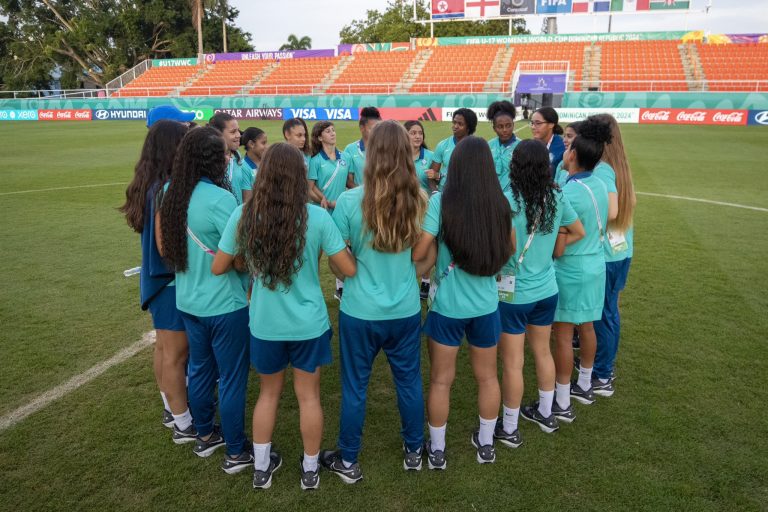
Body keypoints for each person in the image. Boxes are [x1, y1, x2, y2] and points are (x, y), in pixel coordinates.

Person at [213, 142, 356, 490]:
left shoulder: (244, 214)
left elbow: (225, 264)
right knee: (309, 397)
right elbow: (347, 269)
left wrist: (251, 262)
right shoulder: (317, 217)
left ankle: (261, 468)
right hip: (308, 324)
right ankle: (310, 470)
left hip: (265, 323)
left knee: (268, 395)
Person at [319, 121, 433, 483]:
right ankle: (414, 450)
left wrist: (355, 272)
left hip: (361, 310)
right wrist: (409, 276)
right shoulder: (418, 197)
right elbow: (422, 254)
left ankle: (349, 458)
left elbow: (337, 257)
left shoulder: (352, 201)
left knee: (355, 386)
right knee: (409, 381)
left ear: (371, 153)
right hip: (402, 309)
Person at [413, 136, 513, 469]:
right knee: (488, 377)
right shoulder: (499, 203)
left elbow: (420, 249)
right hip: (486, 306)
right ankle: (486, 443)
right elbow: (509, 249)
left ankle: (437, 449)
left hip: (447, 308)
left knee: (442, 379)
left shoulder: (441, 202)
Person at [157, 126, 252, 474]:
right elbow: (239, 255)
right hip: (225, 302)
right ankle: (237, 450)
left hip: (188, 299)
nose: (228, 159)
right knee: (230, 376)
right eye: (224, 155)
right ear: (213, 161)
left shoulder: (170, 191)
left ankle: (205, 433)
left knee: (199, 367)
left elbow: (166, 248)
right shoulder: (220, 199)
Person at [495, 140, 584, 448]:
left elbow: (501, 247)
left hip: (514, 293)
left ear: (515, 167)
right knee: (543, 351)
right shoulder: (556, 196)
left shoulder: (506, 199)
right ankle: (546, 412)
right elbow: (578, 231)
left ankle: (509, 427)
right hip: (547, 289)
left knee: (513, 362)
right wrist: (554, 250)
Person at [120, 120, 191, 435]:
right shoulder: (164, 188)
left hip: (156, 280)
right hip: (168, 280)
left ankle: (170, 409)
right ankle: (184, 422)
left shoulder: (148, 184)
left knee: (164, 349)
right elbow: (166, 248)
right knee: (175, 354)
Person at [552, 116, 617, 423]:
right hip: (595, 264)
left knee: (563, 335)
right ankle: (585, 384)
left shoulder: (568, 191)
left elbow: (560, 236)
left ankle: (563, 399)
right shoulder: (600, 184)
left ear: (574, 156)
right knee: (588, 326)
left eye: (569, 146)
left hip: (572, 268)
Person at [591, 114, 636, 397]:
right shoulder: (620, 165)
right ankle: (604, 365)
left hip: (607, 254)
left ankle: (602, 374)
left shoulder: (603, 169)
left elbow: (609, 213)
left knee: (604, 314)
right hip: (621, 249)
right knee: (610, 312)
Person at [308, 120, 350, 300]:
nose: (332, 133)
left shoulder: (344, 158)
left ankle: (340, 287)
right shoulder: (315, 160)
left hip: (340, 213)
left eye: (333, 130)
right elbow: (310, 188)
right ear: (319, 137)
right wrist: (324, 199)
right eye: (327, 131)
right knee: (316, 255)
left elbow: (349, 183)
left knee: (343, 251)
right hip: (321, 212)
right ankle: (312, 289)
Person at [404, 119, 435, 299]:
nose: (417, 136)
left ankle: (425, 282)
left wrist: (437, 175)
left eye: (420, 133)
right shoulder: (399, 156)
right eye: (413, 133)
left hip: (426, 211)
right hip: (405, 210)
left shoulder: (430, 157)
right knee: (408, 246)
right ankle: (406, 281)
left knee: (426, 246)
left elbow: (440, 180)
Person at [427, 108, 477, 193]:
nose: (455, 126)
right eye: (454, 122)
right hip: (445, 194)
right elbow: (431, 175)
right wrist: (435, 193)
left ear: (469, 127)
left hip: (469, 195)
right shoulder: (442, 145)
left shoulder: (477, 146)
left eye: (460, 124)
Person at [208, 112, 253, 205]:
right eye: (233, 132)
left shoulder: (241, 163)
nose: (239, 135)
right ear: (217, 134)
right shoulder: (204, 162)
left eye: (238, 130)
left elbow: (247, 204)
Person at [344, 107, 382, 188]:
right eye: (372, 129)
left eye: (378, 129)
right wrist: (364, 194)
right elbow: (348, 181)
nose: (376, 132)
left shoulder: (386, 148)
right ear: (362, 128)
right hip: (359, 198)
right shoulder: (350, 150)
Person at [486, 101, 520, 193]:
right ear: (494, 128)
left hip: (514, 199)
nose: (505, 130)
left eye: (508, 126)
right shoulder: (488, 146)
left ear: (513, 125)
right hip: (491, 196)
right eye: (500, 126)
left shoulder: (522, 147)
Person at [530, 107, 565, 175]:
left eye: (538, 123)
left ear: (551, 124)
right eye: (532, 123)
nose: (533, 127)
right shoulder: (531, 145)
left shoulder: (563, 147)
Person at [555, 121, 582, 188]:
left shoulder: (588, 164)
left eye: (569, 136)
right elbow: (555, 186)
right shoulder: (561, 163)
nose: (564, 140)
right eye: (564, 136)